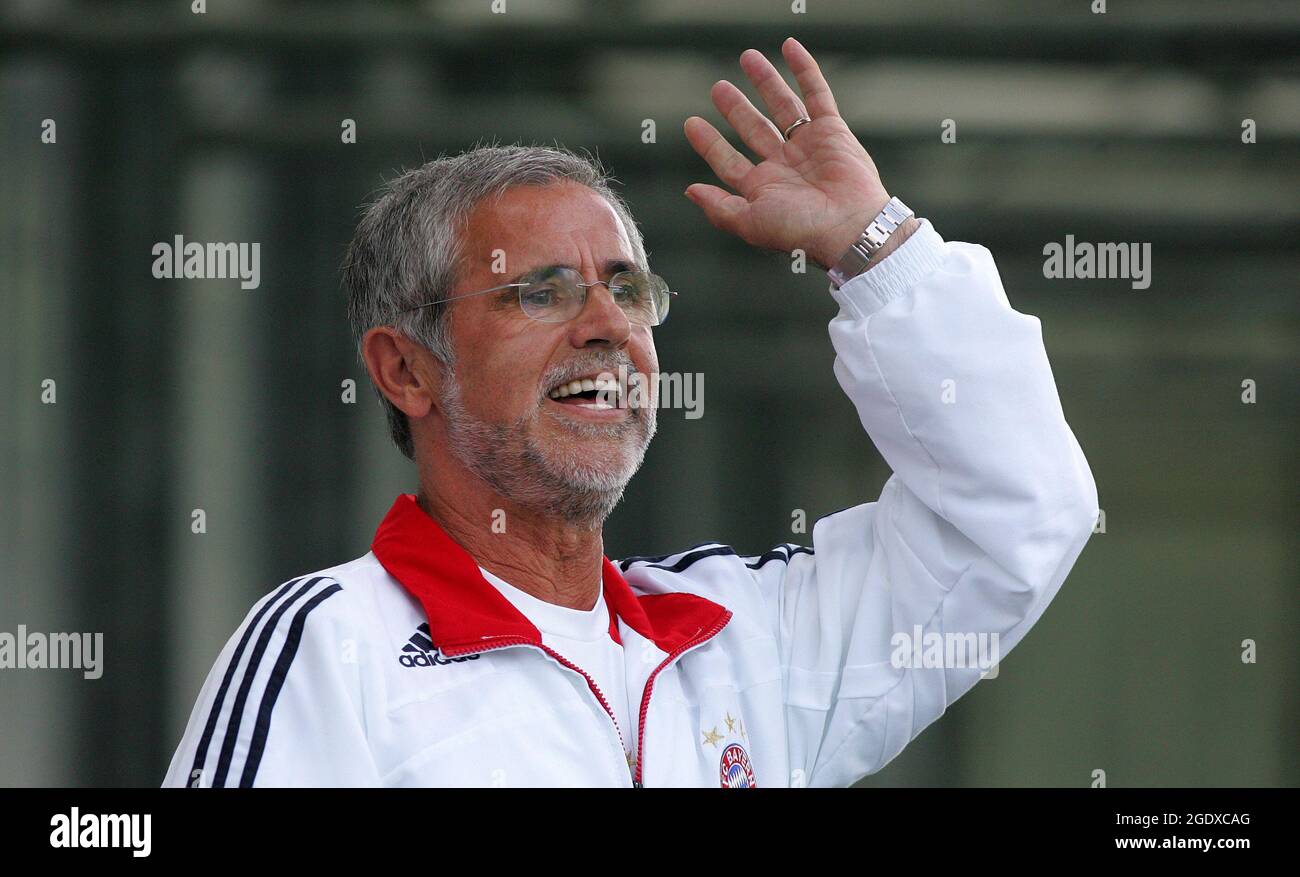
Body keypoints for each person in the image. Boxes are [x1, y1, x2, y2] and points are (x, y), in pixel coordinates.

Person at [163, 38, 1097, 788]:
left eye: (627, 287)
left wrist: (875, 245)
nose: (609, 325)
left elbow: (1012, 519)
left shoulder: (739, 643)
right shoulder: (330, 647)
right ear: (406, 369)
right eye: (541, 293)